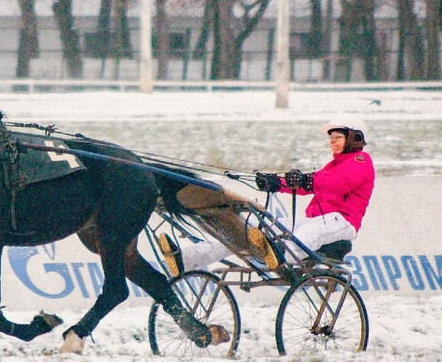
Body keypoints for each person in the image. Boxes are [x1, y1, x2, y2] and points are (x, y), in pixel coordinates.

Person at [159, 117, 374, 273]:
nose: (332, 141)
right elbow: (304, 186)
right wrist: (274, 183)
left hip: (342, 223)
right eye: (331, 137)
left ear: (354, 138)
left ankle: (278, 256)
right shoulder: (332, 165)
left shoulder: (361, 162)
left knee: (310, 231)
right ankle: (186, 259)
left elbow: (337, 184)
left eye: (338, 137)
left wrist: (307, 180)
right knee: (242, 230)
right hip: (319, 220)